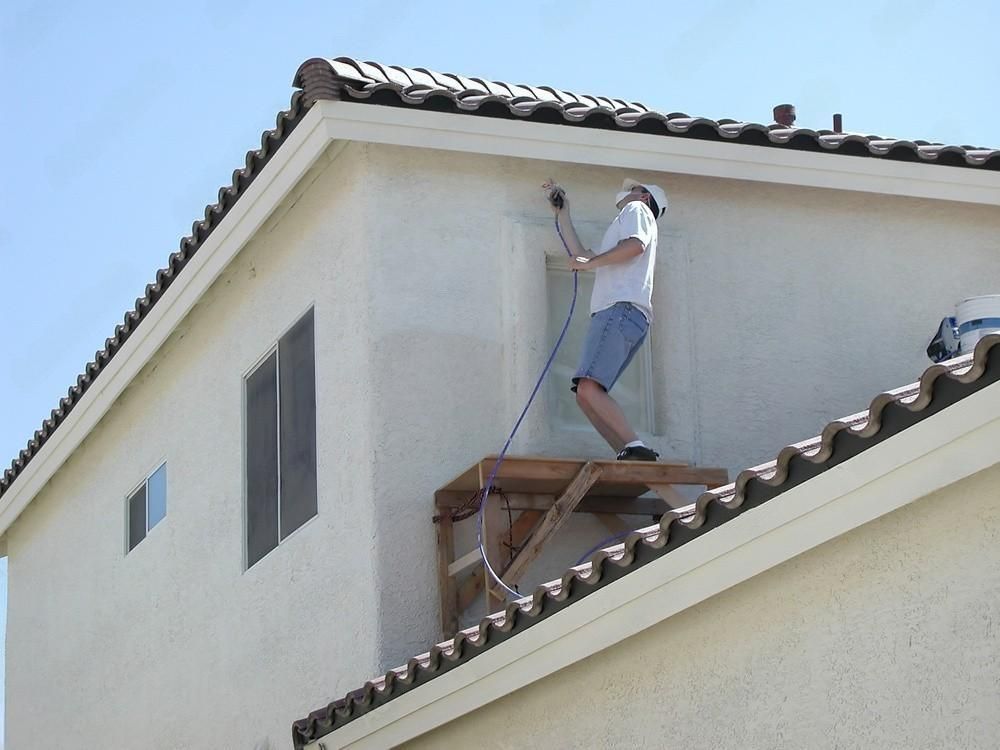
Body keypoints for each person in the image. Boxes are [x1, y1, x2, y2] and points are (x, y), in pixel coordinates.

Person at [543, 178, 668, 461]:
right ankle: (629, 453)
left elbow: (636, 245)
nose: (626, 193)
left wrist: (592, 263)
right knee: (586, 395)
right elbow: (582, 255)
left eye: (634, 189)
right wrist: (564, 213)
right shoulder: (625, 226)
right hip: (626, 314)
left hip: (619, 310)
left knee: (588, 388)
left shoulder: (637, 209)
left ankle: (635, 447)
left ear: (645, 197)